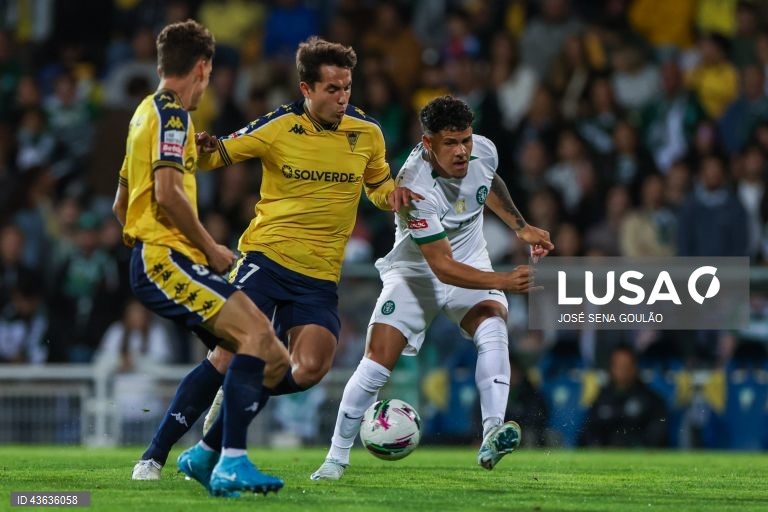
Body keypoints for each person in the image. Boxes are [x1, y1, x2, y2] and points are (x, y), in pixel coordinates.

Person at [133, 36, 419, 485]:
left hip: (319, 277)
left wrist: (394, 197)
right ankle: (154, 456)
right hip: (265, 260)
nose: (343, 97)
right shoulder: (278, 126)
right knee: (228, 357)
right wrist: (203, 148)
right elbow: (219, 154)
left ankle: (209, 446)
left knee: (308, 369)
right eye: (332, 89)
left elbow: (378, 186)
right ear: (306, 89)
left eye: (347, 87)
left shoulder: (367, 133)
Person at [311, 96, 554, 481]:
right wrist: (503, 281)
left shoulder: (483, 150)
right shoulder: (414, 187)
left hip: (470, 260)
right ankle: (335, 459)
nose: (461, 151)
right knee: (376, 363)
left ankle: (492, 430)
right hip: (415, 273)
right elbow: (441, 267)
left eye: (465, 140)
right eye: (450, 143)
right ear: (428, 144)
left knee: (493, 324)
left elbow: (488, 182)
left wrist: (520, 226)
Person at [113, 19, 290, 497]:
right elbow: (169, 194)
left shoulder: (142, 116)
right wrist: (209, 246)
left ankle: (178, 456)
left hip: (158, 257)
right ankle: (230, 461)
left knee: (266, 353)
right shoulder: (172, 115)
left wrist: (140, 234)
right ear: (202, 68)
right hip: (168, 258)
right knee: (257, 336)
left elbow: (120, 203)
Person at [579, 345, 668, 447]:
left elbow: (657, 435)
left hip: (638, 457)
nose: (622, 370)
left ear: (634, 367)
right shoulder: (601, 398)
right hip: (605, 457)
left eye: (626, 365)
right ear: (611, 368)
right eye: (618, 365)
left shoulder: (651, 399)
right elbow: (588, 433)